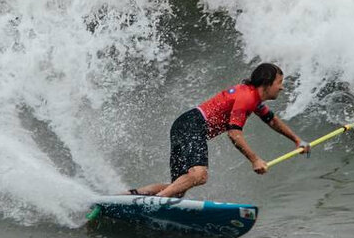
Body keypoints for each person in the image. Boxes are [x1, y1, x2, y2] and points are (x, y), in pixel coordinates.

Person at [131, 63, 309, 198]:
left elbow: (272, 120)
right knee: (199, 175)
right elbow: (234, 133)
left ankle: (131, 195)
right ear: (267, 83)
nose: (282, 87)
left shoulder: (253, 98)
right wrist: (254, 159)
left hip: (184, 125)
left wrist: (297, 140)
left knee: (177, 188)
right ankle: (156, 201)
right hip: (193, 125)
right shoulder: (247, 97)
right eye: (279, 82)